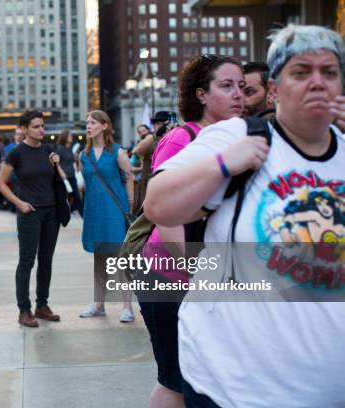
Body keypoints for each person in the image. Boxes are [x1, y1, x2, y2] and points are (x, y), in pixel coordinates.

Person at [144, 25, 345, 407]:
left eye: (330, 72)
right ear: (274, 89)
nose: (317, 82)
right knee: (169, 381)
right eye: (301, 72)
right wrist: (221, 165)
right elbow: (158, 206)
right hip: (237, 386)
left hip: (327, 387)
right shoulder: (235, 136)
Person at [138, 54, 245, 408]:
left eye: (242, 87)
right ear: (201, 94)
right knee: (175, 380)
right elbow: (166, 217)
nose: (238, 95)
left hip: (203, 277)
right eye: (226, 86)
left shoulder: (231, 139)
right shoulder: (182, 138)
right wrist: (198, 273)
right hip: (169, 277)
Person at [0, 109, 62, 328]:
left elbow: (58, 179)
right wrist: (19, 203)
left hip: (51, 212)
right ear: (24, 129)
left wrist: (56, 163)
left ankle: (42, 305)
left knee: (47, 260)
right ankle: (24, 310)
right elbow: (1, 183)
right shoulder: (16, 153)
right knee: (27, 261)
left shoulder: (48, 150)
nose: (41, 129)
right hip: (29, 213)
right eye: (36, 126)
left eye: (42, 126)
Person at [77, 110, 135, 322]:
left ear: (104, 125)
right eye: (87, 123)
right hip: (94, 211)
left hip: (114, 210)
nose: (88, 126)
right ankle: (99, 304)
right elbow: (85, 182)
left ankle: (127, 307)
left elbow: (129, 178)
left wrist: (130, 205)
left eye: (92, 123)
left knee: (122, 259)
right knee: (99, 258)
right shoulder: (84, 155)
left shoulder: (118, 152)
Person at [56, 129, 83, 217]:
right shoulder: (60, 148)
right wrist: (62, 173)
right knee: (65, 197)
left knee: (76, 196)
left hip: (72, 176)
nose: (71, 137)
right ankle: (64, 213)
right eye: (70, 135)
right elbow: (57, 163)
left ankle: (77, 213)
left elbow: (75, 163)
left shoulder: (70, 148)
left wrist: (77, 159)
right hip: (64, 178)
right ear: (65, 137)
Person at [130, 124, 152, 215]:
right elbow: (130, 166)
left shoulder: (152, 141)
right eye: (140, 132)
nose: (142, 133)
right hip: (138, 181)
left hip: (148, 180)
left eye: (144, 130)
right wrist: (140, 168)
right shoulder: (138, 145)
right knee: (137, 205)